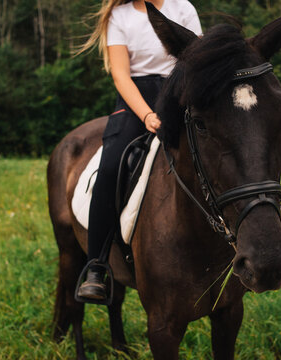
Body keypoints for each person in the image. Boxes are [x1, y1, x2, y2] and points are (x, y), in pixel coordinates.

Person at [77, 0, 202, 300]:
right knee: (110, 168)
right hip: (135, 102)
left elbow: (198, 60)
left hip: (179, 93)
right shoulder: (119, 17)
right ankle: (96, 267)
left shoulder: (183, 8)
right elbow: (121, 75)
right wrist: (147, 115)